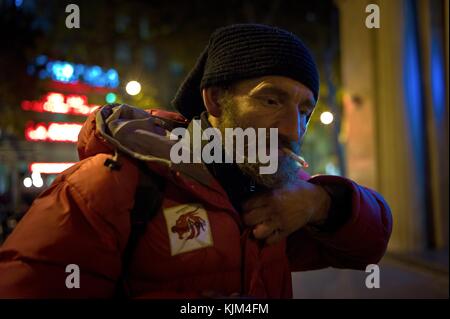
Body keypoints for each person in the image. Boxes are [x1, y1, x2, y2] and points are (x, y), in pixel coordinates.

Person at [0, 24, 392, 298]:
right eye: (271, 100)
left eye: (305, 110)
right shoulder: (108, 187)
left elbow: (369, 245)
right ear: (215, 99)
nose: (294, 129)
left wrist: (318, 203)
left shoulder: (278, 196)